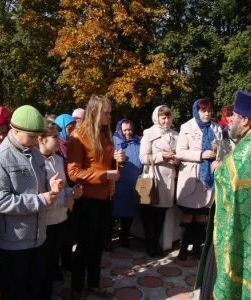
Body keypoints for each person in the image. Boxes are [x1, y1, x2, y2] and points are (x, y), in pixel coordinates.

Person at [197, 91, 251, 300]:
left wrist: (217, 168)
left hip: (236, 230)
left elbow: (233, 177)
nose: (230, 119)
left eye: (233, 115)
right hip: (250, 228)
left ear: (244, 120)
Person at [0, 105, 62, 300]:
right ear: (15, 130)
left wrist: (49, 186)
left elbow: (39, 188)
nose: (37, 141)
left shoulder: (35, 154)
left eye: (38, 136)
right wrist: (39, 200)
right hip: (13, 243)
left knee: (37, 288)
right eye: (32, 137)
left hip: (39, 238)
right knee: (15, 291)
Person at [67, 95, 125, 300]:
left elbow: (110, 166)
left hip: (106, 197)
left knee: (98, 244)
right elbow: (73, 173)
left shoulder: (104, 133)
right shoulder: (78, 135)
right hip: (87, 199)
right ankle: (77, 288)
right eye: (106, 112)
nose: (109, 115)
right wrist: (105, 175)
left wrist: (120, 162)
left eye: (110, 112)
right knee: (84, 245)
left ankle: (93, 284)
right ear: (94, 112)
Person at [37, 120, 83, 299]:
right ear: (41, 139)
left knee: (52, 262)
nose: (59, 140)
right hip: (45, 222)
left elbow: (61, 188)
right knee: (43, 266)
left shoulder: (57, 159)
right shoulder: (35, 161)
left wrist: (72, 192)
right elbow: (41, 195)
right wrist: (63, 200)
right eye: (54, 136)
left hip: (60, 220)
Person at [175, 99, 222, 260]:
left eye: (209, 111)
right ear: (197, 111)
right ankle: (182, 248)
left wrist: (217, 150)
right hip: (191, 176)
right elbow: (180, 152)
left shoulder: (216, 128)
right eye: (203, 111)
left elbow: (224, 151)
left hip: (208, 177)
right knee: (188, 214)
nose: (207, 114)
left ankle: (196, 247)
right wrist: (200, 155)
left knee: (202, 215)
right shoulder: (186, 127)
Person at [139, 105, 179, 258]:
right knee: (150, 215)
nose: (166, 120)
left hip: (169, 180)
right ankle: (150, 245)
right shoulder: (149, 133)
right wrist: (162, 155)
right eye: (163, 117)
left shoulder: (176, 134)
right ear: (157, 118)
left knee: (161, 215)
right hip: (154, 180)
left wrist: (175, 160)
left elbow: (179, 157)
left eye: (168, 117)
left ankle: (156, 243)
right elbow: (143, 158)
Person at [111, 119, 143, 248]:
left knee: (129, 212)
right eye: (125, 130)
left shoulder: (138, 142)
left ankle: (124, 236)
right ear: (120, 130)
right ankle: (108, 238)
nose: (128, 132)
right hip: (118, 183)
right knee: (114, 211)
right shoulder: (113, 141)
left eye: (129, 129)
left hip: (133, 183)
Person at [53, 114, 77, 273]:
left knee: (68, 232)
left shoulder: (73, 144)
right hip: (58, 195)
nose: (72, 132)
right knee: (57, 237)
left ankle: (67, 263)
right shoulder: (57, 149)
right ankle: (56, 267)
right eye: (69, 129)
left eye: (73, 128)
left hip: (72, 191)